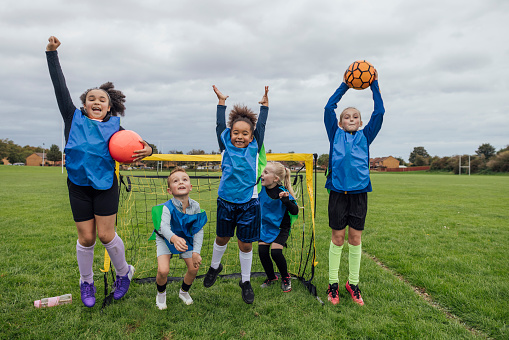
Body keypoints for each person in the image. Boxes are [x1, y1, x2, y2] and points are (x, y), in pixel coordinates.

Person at [46, 36, 153, 307]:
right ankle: (86, 282)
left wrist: (149, 149)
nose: (96, 101)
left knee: (105, 235)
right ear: (84, 105)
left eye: (102, 99)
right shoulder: (73, 118)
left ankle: (123, 273)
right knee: (87, 237)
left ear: (109, 106)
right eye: (91, 98)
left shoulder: (116, 130)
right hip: (78, 185)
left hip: (106, 185)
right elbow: (60, 88)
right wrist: (51, 54)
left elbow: (138, 146)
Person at [203, 85, 269, 304]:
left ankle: (246, 281)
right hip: (226, 201)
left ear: (251, 137)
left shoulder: (255, 146)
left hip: (249, 203)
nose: (239, 136)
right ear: (229, 135)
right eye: (236, 133)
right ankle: (214, 267)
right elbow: (220, 124)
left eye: (245, 133)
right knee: (222, 238)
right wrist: (221, 102)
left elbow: (262, 125)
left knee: (245, 244)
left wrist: (265, 107)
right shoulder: (225, 147)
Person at [324, 69, 384, 306]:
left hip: (359, 193)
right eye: (347, 116)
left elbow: (380, 111)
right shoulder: (334, 134)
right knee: (338, 238)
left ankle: (353, 283)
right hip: (338, 192)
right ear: (340, 122)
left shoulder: (366, 136)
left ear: (360, 122)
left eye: (355, 116)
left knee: (355, 238)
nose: (351, 118)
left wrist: (374, 86)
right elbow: (329, 107)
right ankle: (333, 284)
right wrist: (345, 85)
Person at [151, 168, 207, 309]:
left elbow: (198, 230)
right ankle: (161, 294)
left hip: (185, 238)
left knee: (194, 268)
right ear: (170, 190)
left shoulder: (195, 206)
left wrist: (196, 252)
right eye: (176, 181)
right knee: (163, 271)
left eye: (184, 179)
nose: (181, 182)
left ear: (190, 187)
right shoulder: (166, 208)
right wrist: (174, 239)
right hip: (166, 238)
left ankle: (183, 292)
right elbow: (163, 228)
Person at [258, 162, 299, 292]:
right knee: (262, 252)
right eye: (262, 172)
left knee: (275, 252)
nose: (262, 175)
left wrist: (286, 201)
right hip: (265, 226)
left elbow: (295, 211)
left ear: (276, 179)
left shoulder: (283, 192)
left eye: (266, 173)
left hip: (281, 228)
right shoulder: (259, 189)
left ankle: (286, 277)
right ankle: (271, 277)